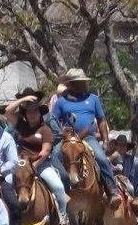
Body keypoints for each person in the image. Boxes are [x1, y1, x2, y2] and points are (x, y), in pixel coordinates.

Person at [50, 68, 121, 207]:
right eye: (80, 82)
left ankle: (112, 191)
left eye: (84, 82)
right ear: (71, 84)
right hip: (67, 140)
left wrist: (105, 140)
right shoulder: (61, 102)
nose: (84, 84)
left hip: (88, 137)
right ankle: (56, 194)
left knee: (102, 158)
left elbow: (101, 119)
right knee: (55, 157)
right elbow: (52, 120)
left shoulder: (93, 99)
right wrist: (60, 132)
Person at [10, 94, 70, 225]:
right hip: (20, 166)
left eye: (34, 111)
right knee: (5, 184)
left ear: (39, 114)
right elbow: (8, 111)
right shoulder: (21, 125)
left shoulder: (45, 129)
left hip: (40, 164)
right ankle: (8, 220)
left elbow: (45, 151)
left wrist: (33, 165)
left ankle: (62, 218)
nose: (31, 115)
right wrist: (22, 100)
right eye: (28, 112)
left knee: (59, 187)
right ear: (25, 114)